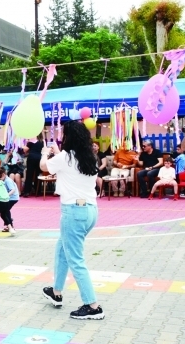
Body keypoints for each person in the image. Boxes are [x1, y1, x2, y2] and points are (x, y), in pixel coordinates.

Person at [40, 121, 104, 320]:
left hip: (73, 212)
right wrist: (57, 152)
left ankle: (92, 305)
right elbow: (67, 164)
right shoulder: (88, 157)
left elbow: (44, 167)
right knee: (62, 250)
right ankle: (56, 292)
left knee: (75, 260)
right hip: (90, 211)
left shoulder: (65, 157)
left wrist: (45, 153)